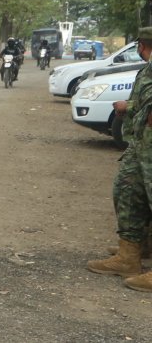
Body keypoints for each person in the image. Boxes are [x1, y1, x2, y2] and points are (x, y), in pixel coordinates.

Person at [87, 27, 152, 290]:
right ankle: (129, 255)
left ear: (141, 45)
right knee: (127, 191)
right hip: (141, 144)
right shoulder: (146, 69)